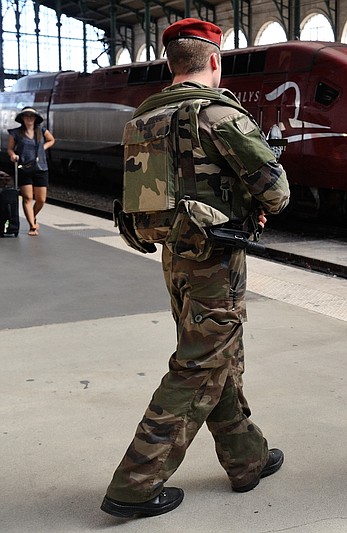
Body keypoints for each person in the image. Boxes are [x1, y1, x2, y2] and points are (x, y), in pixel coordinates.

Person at [101, 18, 290, 519]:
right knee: (200, 363)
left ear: (170, 63)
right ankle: (135, 484)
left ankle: (246, 458)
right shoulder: (219, 116)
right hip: (215, 260)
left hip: (175, 256)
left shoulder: (142, 119)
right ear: (214, 60)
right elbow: (277, 191)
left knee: (215, 352)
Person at [7, 107, 55, 236]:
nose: (29, 118)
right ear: (22, 118)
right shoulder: (15, 133)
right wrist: (13, 155)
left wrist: (43, 148)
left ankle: (32, 216)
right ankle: (32, 226)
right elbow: (10, 149)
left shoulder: (41, 131)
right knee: (28, 198)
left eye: (31, 116)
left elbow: (52, 140)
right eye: (26, 116)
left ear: (35, 118)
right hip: (24, 168)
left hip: (41, 168)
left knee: (41, 200)